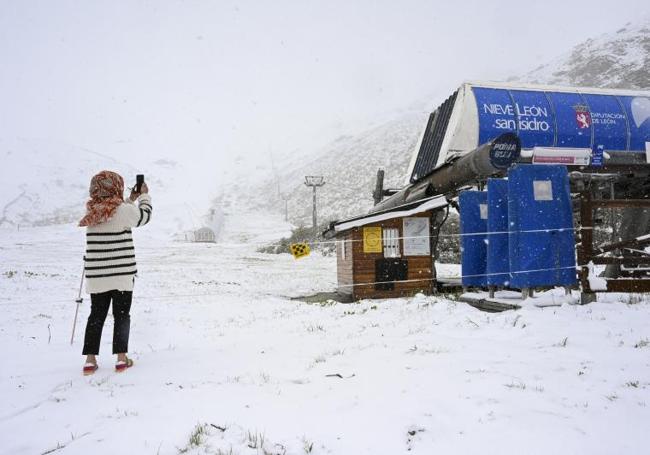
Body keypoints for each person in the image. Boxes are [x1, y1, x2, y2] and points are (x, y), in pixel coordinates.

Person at [78, 170, 152, 375]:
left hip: (97, 277)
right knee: (121, 315)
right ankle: (121, 359)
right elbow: (143, 217)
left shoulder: (92, 212)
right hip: (121, 276)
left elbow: (116, 212)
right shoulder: (122, 211)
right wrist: (144, 196)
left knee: (96, 316)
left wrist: (130, 199)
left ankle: (90, 361)